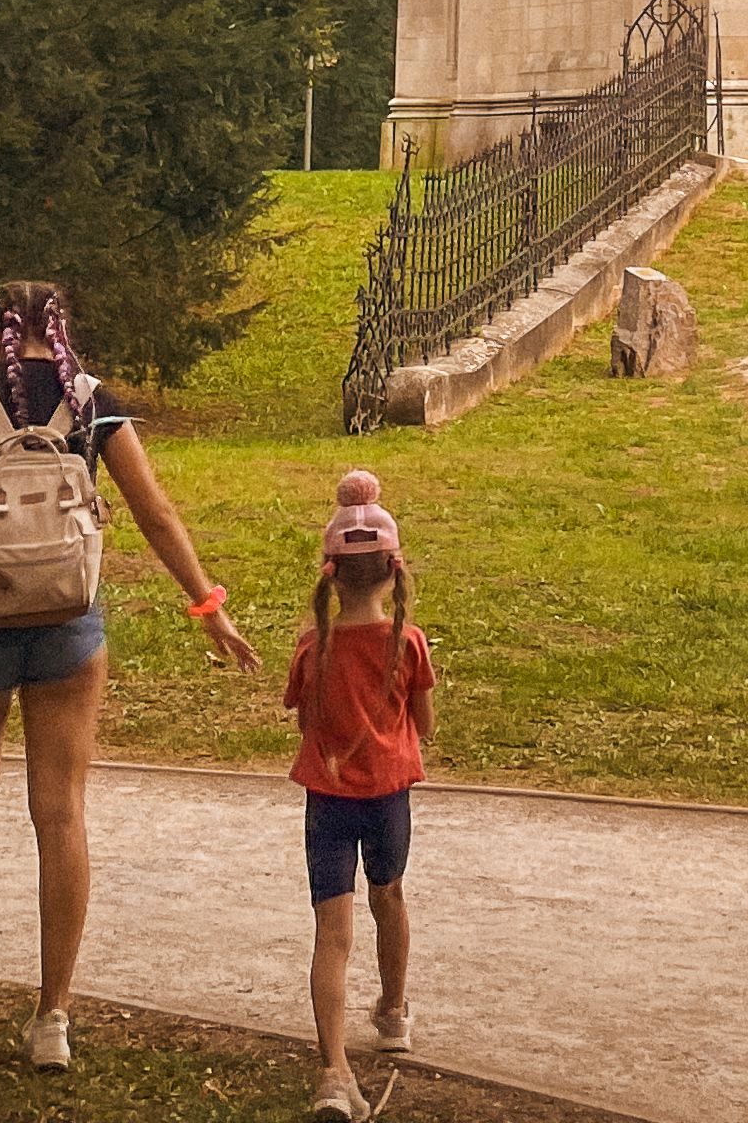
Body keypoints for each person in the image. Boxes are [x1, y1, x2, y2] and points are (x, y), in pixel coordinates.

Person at [0, 279, 255, 1071]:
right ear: (60, 330)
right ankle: (52, 1016)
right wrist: (208, 607)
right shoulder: (93, 402)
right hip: (69, 623)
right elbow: (155, 511)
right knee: (59, 811)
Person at [288, 472, 433, 1119]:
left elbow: (307, 724)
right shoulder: (409, 644)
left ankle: (332, 1071)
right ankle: (394, 1013)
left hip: (327, 802)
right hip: (388, 798)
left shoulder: (311, 649)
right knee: (389, 897)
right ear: (393, 572)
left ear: (330, 575)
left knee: (332, 934)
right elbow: (424, 725)